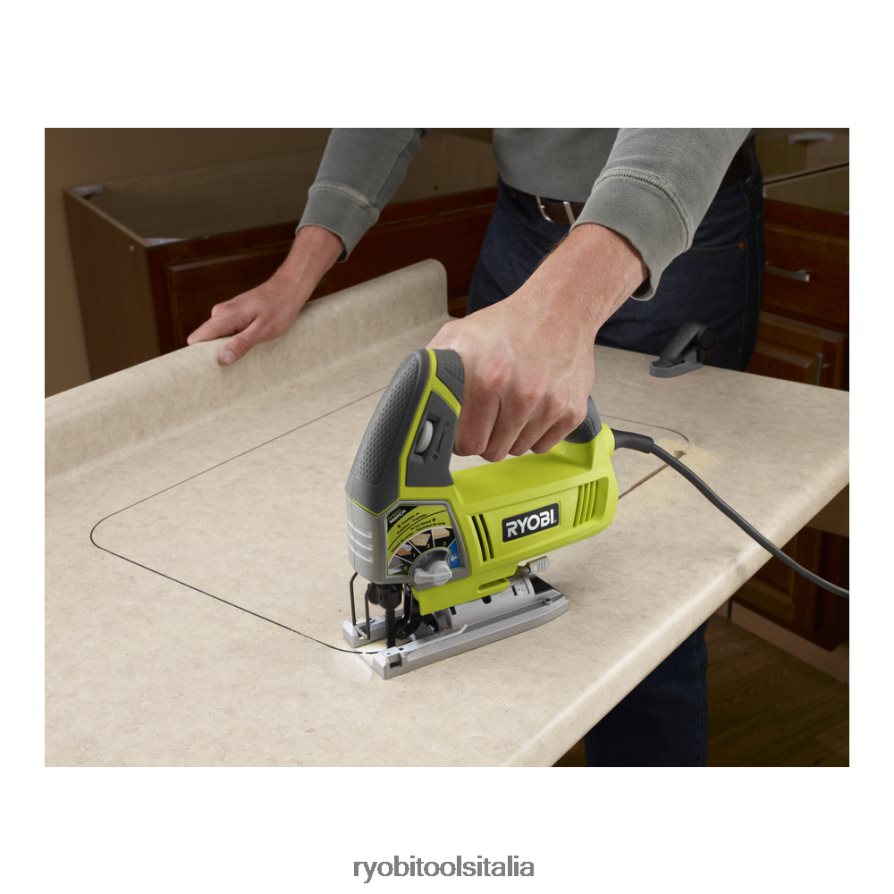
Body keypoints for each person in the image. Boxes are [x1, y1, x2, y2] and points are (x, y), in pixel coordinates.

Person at [188, 129, 764, 766]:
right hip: (523, 220)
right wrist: (298, 272)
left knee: (647, 609)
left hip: (674, 222)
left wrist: (562, 309)